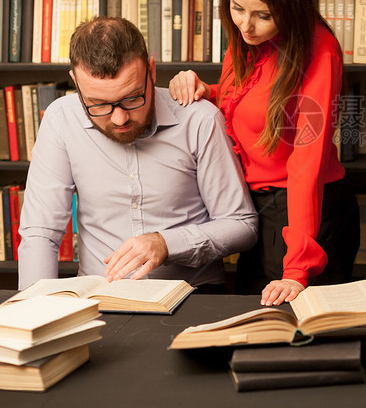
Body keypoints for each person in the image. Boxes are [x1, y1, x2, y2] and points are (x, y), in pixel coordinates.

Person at [169, 0, 359, 306]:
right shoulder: (247, 37)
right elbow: (248, 99)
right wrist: (204, 89)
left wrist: (297, 268)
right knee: (248, 314)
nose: (246, 25)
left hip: (306, 210)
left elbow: (308, 160)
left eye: (263, 15)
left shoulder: (320, 53)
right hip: (254, 204)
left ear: (291, 7)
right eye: (237, 7)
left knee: (294, 327)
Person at [18, 16, 258, 292]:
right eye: (97, 104)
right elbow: (40, 232)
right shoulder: (61, 119)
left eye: (132, 98)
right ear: (75, 82)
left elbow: (242, 226)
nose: (119, 119)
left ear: (151, 71)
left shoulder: (200, 119)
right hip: (101, 295)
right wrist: (33, 307)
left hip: (193, 294)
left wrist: (166, 244)